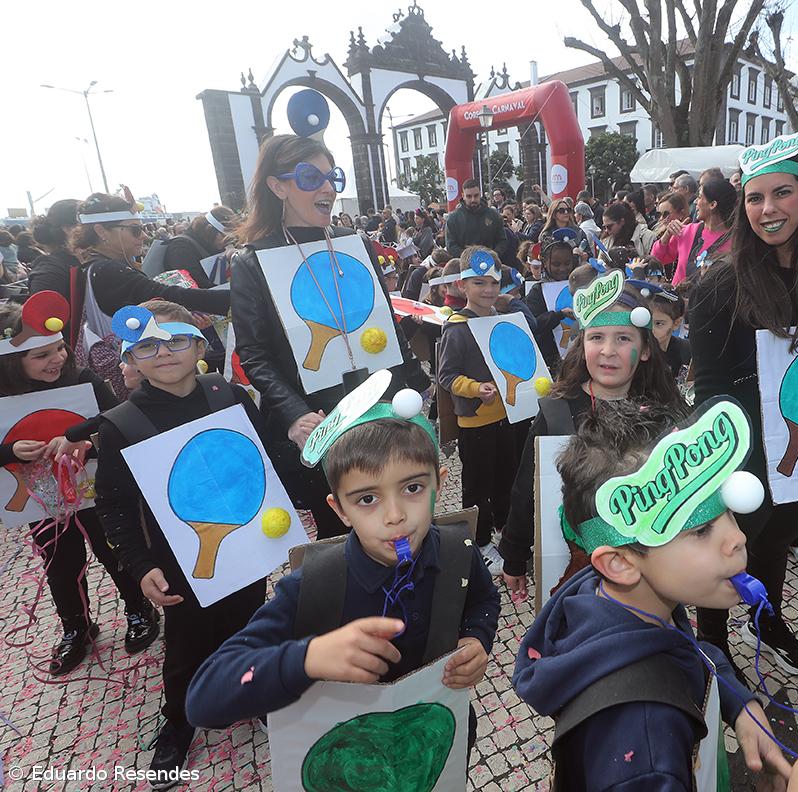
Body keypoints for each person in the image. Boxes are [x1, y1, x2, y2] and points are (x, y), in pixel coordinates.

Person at [186, 375, 500, 744]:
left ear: (439, 484)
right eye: (367, 499)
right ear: (340, 510)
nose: (395, 516)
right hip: (353, 754)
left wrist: (475, 638)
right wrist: (307, 658)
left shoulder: (458, 549)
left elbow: (483, 600)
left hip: (442, 741)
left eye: (413, 488)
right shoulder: (313, 585)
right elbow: (203, 699)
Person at [512, 399, 793, 789]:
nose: (737, 537)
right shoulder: (644, 745)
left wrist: (738, 702)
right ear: (619, 563)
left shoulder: (610, 600)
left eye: (727, 512)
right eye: (700, 530)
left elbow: (685, 650)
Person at [689, 133, 798, 676]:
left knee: (779, 538)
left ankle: (766, 618)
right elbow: (710, 385)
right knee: (731, 545)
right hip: (745, 448)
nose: (768, 209)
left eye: (782, 193)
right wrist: (723, 458)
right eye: (755, 197)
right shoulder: (720, 285)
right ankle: (712, 638)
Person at [94, 299, 267, 786]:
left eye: (175, 340)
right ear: (130, 359)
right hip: (177, 559)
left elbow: (263, 461)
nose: (164, 352)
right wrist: (140, 564)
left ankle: (255, 693)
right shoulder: (122, 423)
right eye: (147, 345)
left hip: (246, 544)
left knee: (252, 622)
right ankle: (179, 717)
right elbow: (113, 505)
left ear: (199, 347)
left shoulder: (229, 396)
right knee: (187, 641)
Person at [229, 134, 429, 540]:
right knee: (342, 530)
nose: (327, 188)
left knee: (400, 512)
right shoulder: (252, 261)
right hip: (319, 417)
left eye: (332, 177)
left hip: (380, 405)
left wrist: (417, 383)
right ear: (277, 186)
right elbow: (254, 354)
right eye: (310, 177)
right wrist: (293, 414)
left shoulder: (355, 245)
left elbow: (385, 321)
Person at [500, 279, 686, 596]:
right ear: (582, 344)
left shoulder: (664, 415)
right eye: (597, 337)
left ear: (644, 350)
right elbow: (527, 488)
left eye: (623, 338)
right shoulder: (557, 412)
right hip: (576, 575)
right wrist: (514, 554)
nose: (608, 350)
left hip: (649, 573)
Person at [0, 298, 155, 677]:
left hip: (97, 491)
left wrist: (87, 443)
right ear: (13, 361)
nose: (56, 359)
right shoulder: (4, 397)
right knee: (59, 564)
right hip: (42, 500)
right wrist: (10, 450)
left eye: (59, 349)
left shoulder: (85, 380)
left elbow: (119, 422)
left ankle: (138, 607)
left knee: (113, 551)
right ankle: (76, 626)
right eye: (41, 355)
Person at [72, 194, 232, 397]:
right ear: (101, 231)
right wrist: (242, 297)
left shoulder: (96, 266)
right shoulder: (108, 270)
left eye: (143, 228)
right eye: (135, 230)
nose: (144, 236)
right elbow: (169, 296)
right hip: (142, 370)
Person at [437, 247, 534, 574]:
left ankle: (506, 530)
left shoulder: (502, 318)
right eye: (479, 283)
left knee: (508, 476)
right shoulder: (456, 327)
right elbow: (447, 376)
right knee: (478, 485)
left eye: (494, 282)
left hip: (508, 416)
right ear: (462, 285)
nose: (488, 289)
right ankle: (478, 542)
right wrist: (475, 388)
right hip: (475, 422)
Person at [654, 179, 737, 287]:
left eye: (700, 197)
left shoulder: (736, 241)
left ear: (712, 204)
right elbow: (656, 261)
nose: (695, 202)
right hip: (678, 296)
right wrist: (666, 236)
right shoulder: (687, 231)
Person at [28, 199, 85, 348]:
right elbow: (42, 317)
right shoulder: (50, 268)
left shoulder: (86, 259)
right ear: (68, 228)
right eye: (87, 223)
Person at [522, 240, 576, 373]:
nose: (562, 268)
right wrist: (559, 315)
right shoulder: (538, 291)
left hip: (578, 356)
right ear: (545, 263)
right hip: (550, 360)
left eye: (567, 263)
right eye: (556, 264)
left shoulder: (580, 285)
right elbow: (534, 325)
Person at [161, 207, 236, 288]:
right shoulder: (180, 248)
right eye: (225, 238)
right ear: (209, 230)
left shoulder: (209, 243)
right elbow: (194, 286)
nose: (226, 243)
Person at [446, 179, 506, 257]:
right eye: (469, 196)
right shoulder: (453, 218)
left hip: (491, 261)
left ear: (480, 194)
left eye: (476, 195)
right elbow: (451, 246)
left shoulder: (494, 215)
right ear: (463, 196)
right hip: (463, 262)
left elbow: (502, 241)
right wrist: (469, 257)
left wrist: (492, 255)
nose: (473, 199)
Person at [646, 286, 691, 379]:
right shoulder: (636, 353)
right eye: (646, 322)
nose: (650, 329)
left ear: (676, 323)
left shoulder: (686, 352)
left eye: (659, 323)